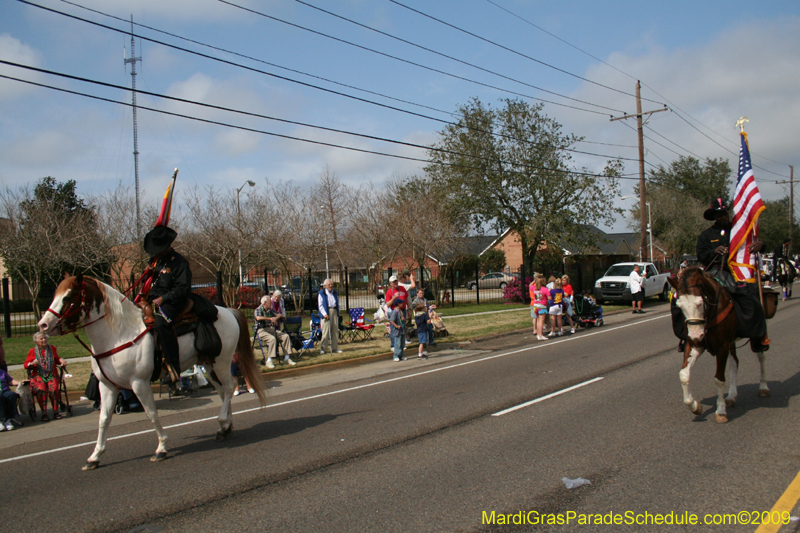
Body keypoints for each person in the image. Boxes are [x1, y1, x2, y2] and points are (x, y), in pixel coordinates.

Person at [693, 198, 769, 351]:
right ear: (714, 217)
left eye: (724, 213)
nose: (723, 217)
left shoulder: (739, 230)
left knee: (752, 296)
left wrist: (761, 244)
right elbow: (700, 254)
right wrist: (713, 251)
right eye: (719, 215)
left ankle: (757, 336)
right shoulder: (707, 235)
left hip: (736, 272)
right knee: (684, 298)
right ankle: (687, 338)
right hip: (713, 271)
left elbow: (752, 241)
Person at [144, 225, 192, 392]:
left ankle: (173, 367)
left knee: (161, 323)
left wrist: (163, 299)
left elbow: (182, 289)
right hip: (151, 300)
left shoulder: (179, 262)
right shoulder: (155, 261)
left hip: (172, 301)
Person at [24, 332, 67, 422]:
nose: (44, 340)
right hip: (38, 375)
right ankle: (44, 413)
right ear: (36, 341)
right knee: (41, 390)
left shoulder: (52, 348)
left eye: (44, 338)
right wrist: (31, 363)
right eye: (41, 339)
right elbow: (26, 365)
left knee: (53, 389)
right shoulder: (32, 351)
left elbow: (56, 359)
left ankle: (56, 411)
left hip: (52, 373)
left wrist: (61, 360)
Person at [255, 293, 295, 369]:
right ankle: (269, 360)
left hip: (271, 329)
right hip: (262, 330)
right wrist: (270, 318)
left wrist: (275, 318)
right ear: (265, 302)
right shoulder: (258, 309)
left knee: (285, 336)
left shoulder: (270, 310)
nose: (271, 303)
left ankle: (287, 358)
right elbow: (258, 318)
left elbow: (280, 314)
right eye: (270, 301)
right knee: (272, 339)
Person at [318, 279, 342, 355]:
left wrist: (338, 311)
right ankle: (323, 348)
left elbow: (337, 302)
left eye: (331, 284)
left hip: (334, 311)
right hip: (326, 312)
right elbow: (320, 305)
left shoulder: (334, 292)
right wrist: (325, 314)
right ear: (325, 286)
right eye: (329, 284)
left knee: (335, 331)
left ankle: (334, 348)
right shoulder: (321, 293)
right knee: (326, 332)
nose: (331, 286)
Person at [0, 365, 22, 431]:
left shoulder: (2, 372)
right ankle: (1, 419)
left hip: (4, 391)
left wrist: (20, 383)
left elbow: (10, 381)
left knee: (11, 395)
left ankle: (8, 420)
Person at [530, 276, 550, 341]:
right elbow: (549, 298)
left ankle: (539, 334)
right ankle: (540, 335)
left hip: (536, 306)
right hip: (542, 306)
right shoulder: (545, 289)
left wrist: (534, 281)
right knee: (541, 321)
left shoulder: (535, 288)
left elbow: (530, 285)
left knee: (538, 321)